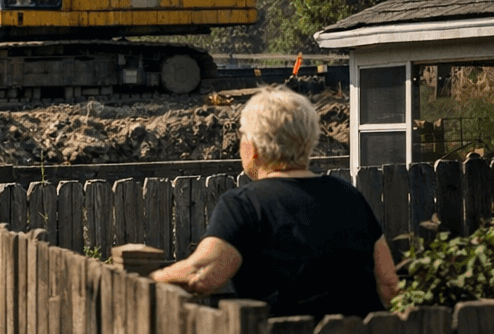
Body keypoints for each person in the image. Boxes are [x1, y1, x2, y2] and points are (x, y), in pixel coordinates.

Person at [150, 86, 399, 317]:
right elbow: (388, 285)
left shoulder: (243, 205)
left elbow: (202, 275)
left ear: (255, 146)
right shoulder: (349, 195)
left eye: (242, 135)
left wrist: (150, 279)